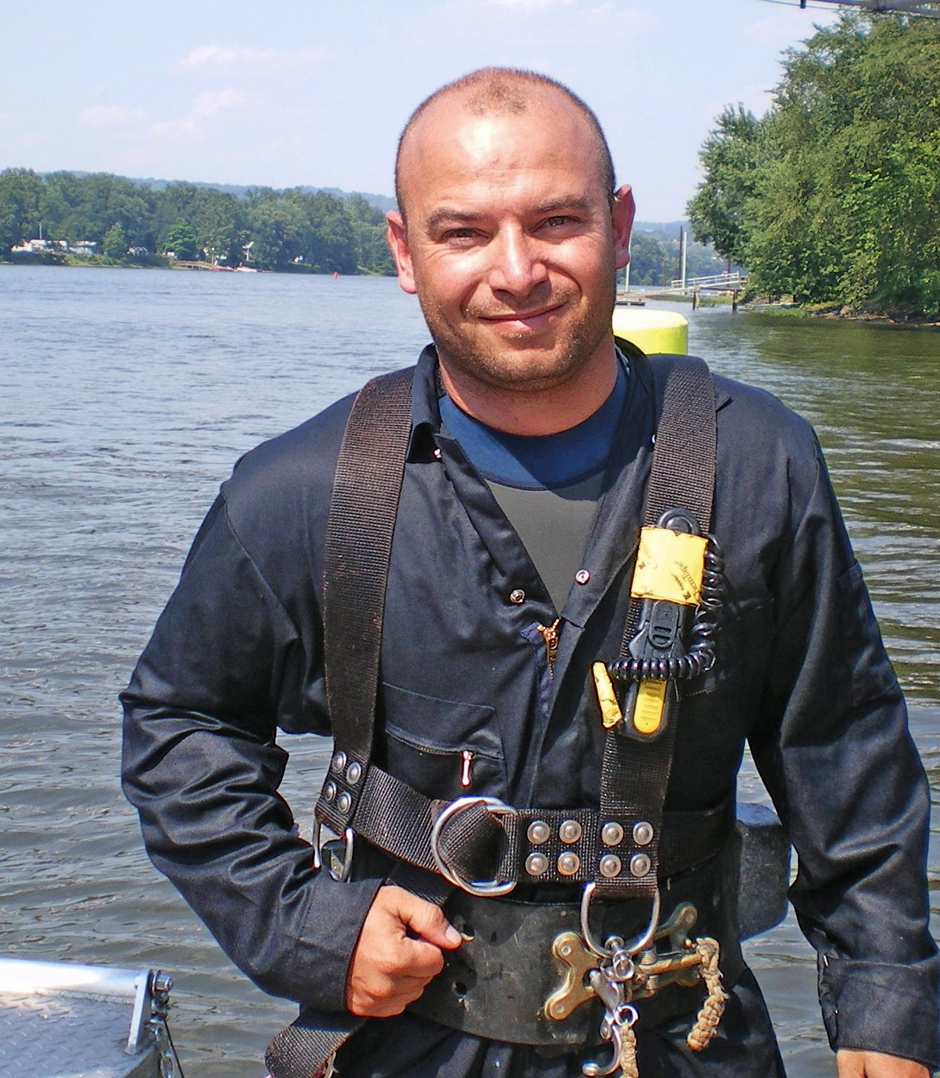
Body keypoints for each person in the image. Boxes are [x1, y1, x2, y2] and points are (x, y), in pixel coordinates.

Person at [122, 68, 938, 1078]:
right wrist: (306, 926)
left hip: (682, 1030)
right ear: (404, 252)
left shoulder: (760, 465)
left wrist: (883, 1005)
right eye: (463, 232)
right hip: (405, 1041)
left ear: (621, 224)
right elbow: (180, 723)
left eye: (556, 220)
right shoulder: (302, 491)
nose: (516, 270)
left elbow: (845, 749)